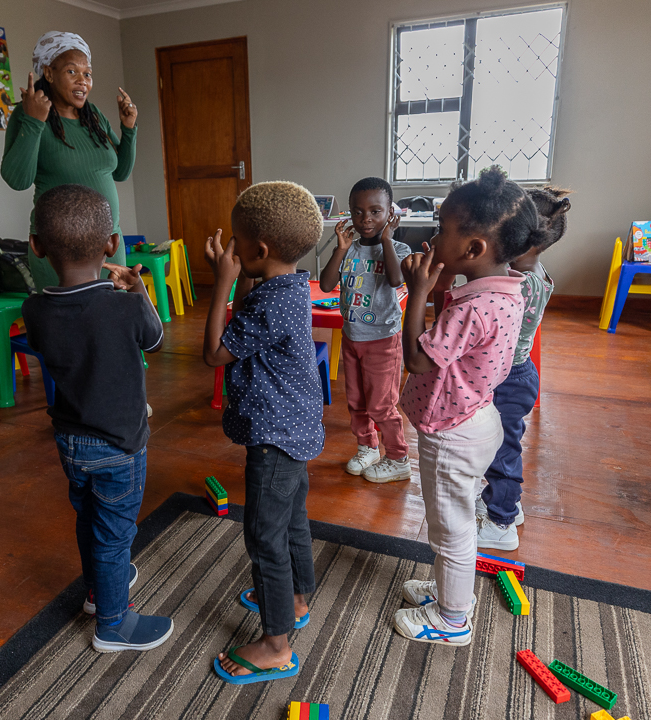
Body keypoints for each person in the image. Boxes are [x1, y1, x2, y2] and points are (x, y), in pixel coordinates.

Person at [393, 166, 542, 646]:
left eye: (442, 229)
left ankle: (453, 619)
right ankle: (443, 589)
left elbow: (417, 358)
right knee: (455, 516)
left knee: (451, 528)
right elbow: (449, 346)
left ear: (475, 248)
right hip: (477, 418)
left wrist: (416, 292)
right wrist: (436, 291)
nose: (434, 236)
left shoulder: (472, 307)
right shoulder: (505, 289)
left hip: (451, 432)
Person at [21, 184, 172, 653]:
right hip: (120, 446)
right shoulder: (125, 305)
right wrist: (140, 290)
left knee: (88, 519)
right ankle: (113, 624)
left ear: (37, 248)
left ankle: (95, 589)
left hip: (70, 441)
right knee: (114, 536)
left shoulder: (35, 308)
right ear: (111, 244)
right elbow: (155, 341)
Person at [203, 182, 325, 684]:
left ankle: (276, 645)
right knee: (291, 518)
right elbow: (255, 302)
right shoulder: (292, 286)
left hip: (275, 439)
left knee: (263, 535)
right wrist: (240, 279)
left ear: (258, 251)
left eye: (237, 243)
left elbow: (214, 353)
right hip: (294, 432)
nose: (230, 250)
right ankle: (296, 599)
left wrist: (221, 284)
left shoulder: (264, 303)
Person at [1, 31, 138, 290]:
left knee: (112, 324)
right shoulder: (27, 113)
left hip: (109, 245)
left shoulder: (93, 115)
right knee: (68, 326)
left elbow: (119, 173)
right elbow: (18, 180)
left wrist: (128, 129)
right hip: (59, 253)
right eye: (72, 72)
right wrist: (33, 122)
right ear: (49, 74)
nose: (83, 81)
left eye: (87, 74)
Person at [476, 187, 571, 551]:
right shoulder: (529, 270)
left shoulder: (521, 284)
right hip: (513, 373)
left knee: (502, 451)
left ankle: (501, 524)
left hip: (508, 379)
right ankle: (507, 506)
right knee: (503, 446)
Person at [318, 177, 412, 483]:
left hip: (383, 340)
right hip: (352, 337)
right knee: (356, 401)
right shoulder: (350, 249)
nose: (366, 219)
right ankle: (367, 447)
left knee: (381, 404)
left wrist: (387, 239)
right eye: (358, 212)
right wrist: (340, 249)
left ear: (389, 213)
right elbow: (327, 285)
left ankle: (398, 458)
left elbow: (397, 280)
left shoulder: (397, 247)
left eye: (375, 212)